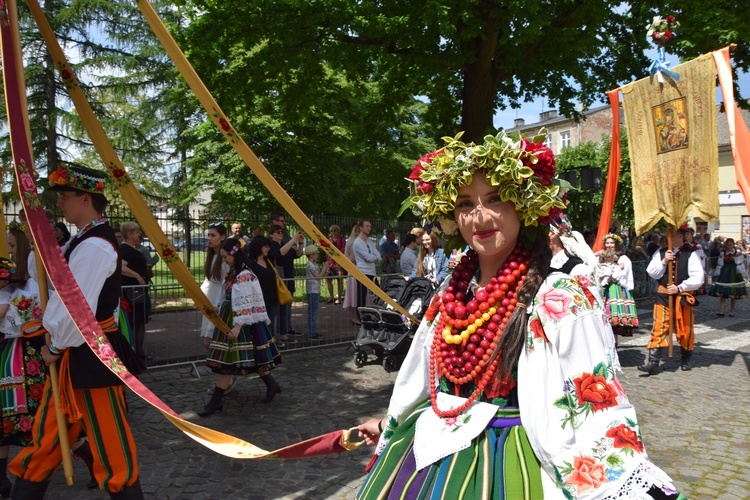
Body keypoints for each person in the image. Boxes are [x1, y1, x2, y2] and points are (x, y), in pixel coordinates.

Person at [356, 133, 680, 499]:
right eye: (465, 204)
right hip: (426, 451)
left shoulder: (561, 296)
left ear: (523, 207)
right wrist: (389, 424)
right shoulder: (451, 291)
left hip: (512, 457)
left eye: (495, 199)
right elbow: (423, 377)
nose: (479, 216)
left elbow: (595, 403)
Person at [10, 164, 145, 498]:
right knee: (48, 437)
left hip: (93, 351)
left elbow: (75, 306)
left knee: (110, 442)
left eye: (65, 197)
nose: (61, 204)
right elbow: (49, 281)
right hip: (77, 350)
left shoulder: (94, 246)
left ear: (86, 199)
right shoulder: (81, 241)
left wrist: (55, 346)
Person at [199, 238, 283, 416]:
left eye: (225, 257)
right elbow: (227, 295)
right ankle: (271, 384)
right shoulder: (234, 272)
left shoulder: (245, 275)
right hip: (231, 317)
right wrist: (216, 307)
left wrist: (237, 326)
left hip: (240, 320)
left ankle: (216, 401)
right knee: (244, 357)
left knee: (228, 362)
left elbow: (248, 302)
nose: (223, 260)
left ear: (234, 254)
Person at [0, 234, 45, 497]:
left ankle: (90, 457)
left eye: (13, 246)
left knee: (38, 413)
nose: (8, 249)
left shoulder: (21, 290)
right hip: (9, 354)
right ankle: (2, 479)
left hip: (27, 355)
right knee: (5, 416)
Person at [639, 225, 704, 375]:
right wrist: (663, 261)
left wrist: (680, 287)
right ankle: (653, 362)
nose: (667, 238)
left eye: (671, 235)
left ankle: (686, 358)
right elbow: (652, 272)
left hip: (682, 296)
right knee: (659, 326)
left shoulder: (690, 254)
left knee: (685, 329)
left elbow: (698, 278)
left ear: (680, 236)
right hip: (663, 295)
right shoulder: (661, 252)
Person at [596, 233, 639, 344]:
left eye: (612, 243)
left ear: (616, 245)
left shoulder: (623, 258)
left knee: (613, 317)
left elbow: (621, 275)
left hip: (616, 289)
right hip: (604, 289)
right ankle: (606, 342)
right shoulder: (601, 257)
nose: (609, 245)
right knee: (603, 317)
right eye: (607, 243)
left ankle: (614, 343)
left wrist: (612, 273)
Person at [268, 212, 304, 340]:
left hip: (288, 278)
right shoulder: (270, 246)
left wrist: (300, 243)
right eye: (278, 233)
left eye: (281, 233)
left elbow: (298, 254)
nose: (281, 234)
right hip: (278, 281)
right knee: (275, 309)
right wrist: (293, 240)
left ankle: (285, 332)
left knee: (286, 307)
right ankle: (273, 336)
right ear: (272, 233)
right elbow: (279, 254)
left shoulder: (284, 244)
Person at [119, 222, 149, 366]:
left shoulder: (131, 249)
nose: (139, 234)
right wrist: (137, 275)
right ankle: (137, 354)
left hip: (138, 293)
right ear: (130, 234)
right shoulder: (126, 249)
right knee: (136, 323)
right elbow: (120, 267)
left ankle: (139, 352)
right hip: (134, 294)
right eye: (136, 232)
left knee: (139, 323)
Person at [247, 235, 281, 345]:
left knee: (270, 327)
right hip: (258, 303)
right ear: (258, 247)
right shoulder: (250, 263)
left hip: (272, 300)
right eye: (265, 246)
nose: (268, 248)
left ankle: (270, 350)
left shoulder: (269, 261)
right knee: (261, 329)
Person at [708, 237, 746, 317]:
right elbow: (720, 263)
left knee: (734, 293)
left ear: (733, 245)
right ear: (726, 245)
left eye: (731, 245)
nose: (729, 246)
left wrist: (739, 270)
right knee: (723, 292)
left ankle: (731, 311)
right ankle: (721, 311)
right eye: (728, 245)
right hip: (725, 273)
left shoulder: (737, 253)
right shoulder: (723, 253)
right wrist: (717, 273)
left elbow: (740, 263)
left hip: (734, 273)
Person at [352, 221, 381, 316]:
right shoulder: (357, 242)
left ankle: (377, 313)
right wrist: (373, 257)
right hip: (363, 272)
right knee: (361, 296)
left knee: (378, 294)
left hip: (372, 272)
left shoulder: (369, 241)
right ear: (361, 227)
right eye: (367, 226)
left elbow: (378, 255)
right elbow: (367, 258)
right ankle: (361, 317)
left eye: (370, 226)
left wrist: (374, 257)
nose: (369, 228)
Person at [304, 245, 329, 341]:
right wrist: (325, 267)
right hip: (312, 291)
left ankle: (313, 331)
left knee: (314, 312)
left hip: (315, 290)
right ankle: (311, 333)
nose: (317, 255)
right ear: (311, 255)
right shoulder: (310, 265)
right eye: (316, 253)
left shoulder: (314, 264)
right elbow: (318, 277)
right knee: (313, 313)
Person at [342, 224, 360, 325]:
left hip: (353, 271)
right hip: (355, 271)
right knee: (355, 295)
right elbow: (353, 259)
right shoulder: (354, 243)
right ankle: (355, 317)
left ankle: (356, 316)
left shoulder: (350, 242)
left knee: (355, 295)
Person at [324, 225, 346, 305]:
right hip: (331, 262)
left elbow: (344, 248)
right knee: (328, 278)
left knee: (339, 279)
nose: (333, 232)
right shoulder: (329, 240)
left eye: (335, 230)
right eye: (332, 231)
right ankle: (331, 296)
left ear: (338, 231)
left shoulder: (342, 239)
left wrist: (337, 254)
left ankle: (339, 298)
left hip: (339, 262)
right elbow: (326, 250)